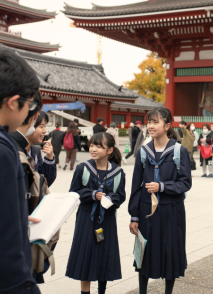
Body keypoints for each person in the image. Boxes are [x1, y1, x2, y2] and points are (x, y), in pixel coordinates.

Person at [0, 49, 41, 293]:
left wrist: (13, 213)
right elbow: (4, 246)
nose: (28, 111)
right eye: (28, 103)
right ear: (12, 102)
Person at [128, 108, 192, 294]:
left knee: (170, 251)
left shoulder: (179, 151)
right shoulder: (142, 152)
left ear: (167, 126)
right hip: (147, 211)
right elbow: (135, 186)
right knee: (145, 251)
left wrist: (162, 187)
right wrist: (134, 216)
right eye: (149, 122)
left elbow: (185, 183)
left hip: (172, 210)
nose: (151, 126)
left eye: (156, 122)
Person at [66, 132, 126, 294]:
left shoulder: (118, 173)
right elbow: (73, 193)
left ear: (109, 150)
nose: (93, 149)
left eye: (99, 146)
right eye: (92, 145)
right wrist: (92, 195)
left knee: (104, 256)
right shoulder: (82, 168)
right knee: (85, 256)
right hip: (86, 218)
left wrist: (111, 199)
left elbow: (121, 196)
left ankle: (102, 291)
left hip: (107, 219)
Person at [26, 110, 56, 187]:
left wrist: (49, 159)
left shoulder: (36, 151)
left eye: (45, 126)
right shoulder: (15, 150)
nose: (45, 131)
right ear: (29, 126)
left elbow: (45, 182)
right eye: (41, 126)